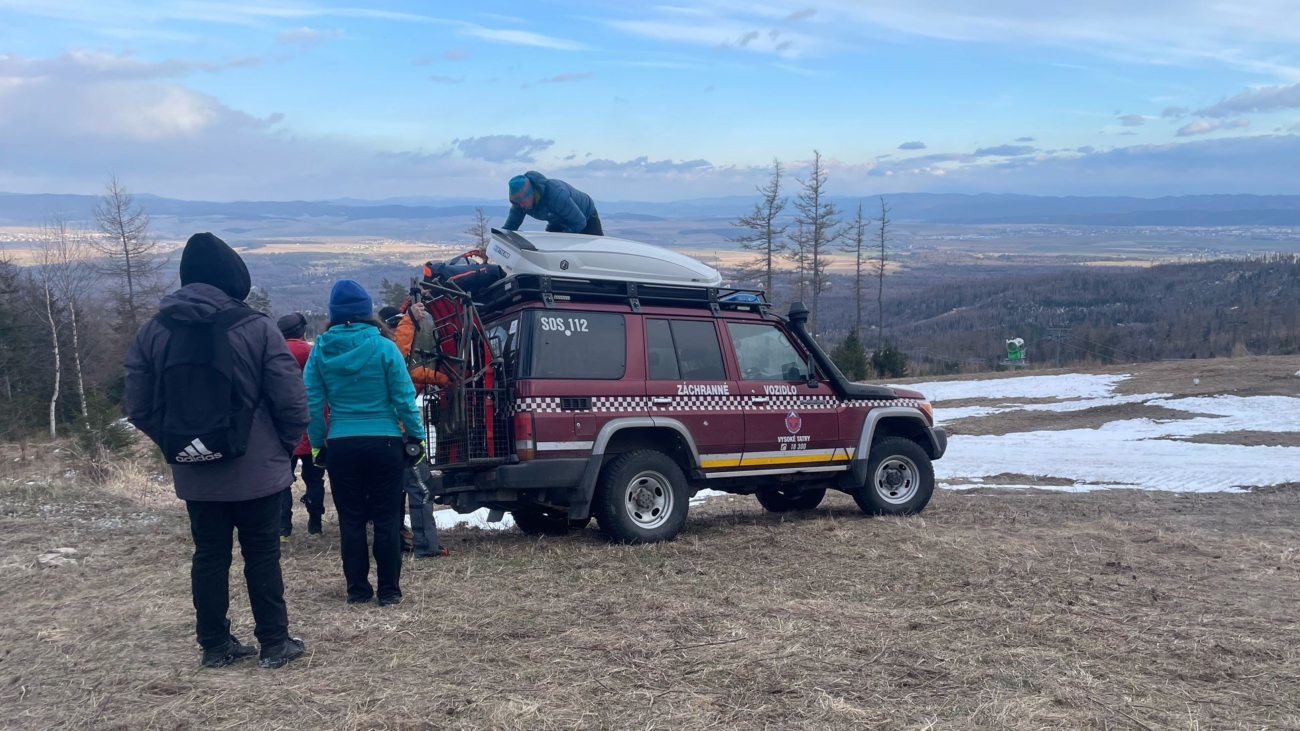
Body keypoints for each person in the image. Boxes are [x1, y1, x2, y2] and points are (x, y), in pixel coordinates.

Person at [124, 232, 308, 669]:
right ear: (234, 277)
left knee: (209, 555)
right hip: (258, 469)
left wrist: (179, 443)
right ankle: (274, 643)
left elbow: (139, 407)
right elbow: (291, 402)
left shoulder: (153, 331)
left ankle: (214, 644)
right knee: (262, 554)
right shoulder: (256, 327)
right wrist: (281, 447)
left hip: (195, 472)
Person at [305, 281, 424, 606]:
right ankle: (389, 591)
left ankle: (357, 590)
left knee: (351, 520)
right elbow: (404, 398)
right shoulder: (385, 347)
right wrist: (416, 437)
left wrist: (318, 445)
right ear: (366, 312)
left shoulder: (320, 350)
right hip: (385, 442)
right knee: (386, 519)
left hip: (341, 444)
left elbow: (312, 405)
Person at [383, 303, 450, 559]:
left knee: (390, 491)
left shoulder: (367, 353)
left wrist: (442, 378)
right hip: (398, 432)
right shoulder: (389, 351)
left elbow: (415, 372)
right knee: (420, 487)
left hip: (373, 435)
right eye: (395, 325)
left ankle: (396, 542)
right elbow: (406, 366)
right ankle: (426, 547)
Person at [276, 312, 327, 542]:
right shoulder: (313, 354)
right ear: (302, 332)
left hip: (282, 431)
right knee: (314, 479)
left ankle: (283, 528)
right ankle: (315, 526)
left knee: (282, 481)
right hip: (313, 426)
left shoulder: (273, 355)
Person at [502, 171, 603, 236]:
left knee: (596, 247)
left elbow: (580, 222)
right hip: (558, 220)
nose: (521, 206)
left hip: (586, 215)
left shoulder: (556, 195)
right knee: (550, 246)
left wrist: (562, 238)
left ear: (532, 194)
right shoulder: (519, 205)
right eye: (517, 203)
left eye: (522, 202)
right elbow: (509, 228)